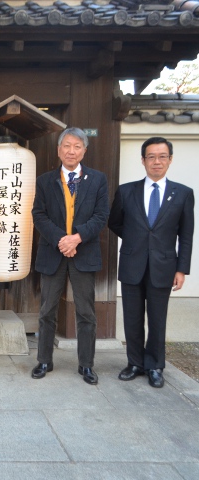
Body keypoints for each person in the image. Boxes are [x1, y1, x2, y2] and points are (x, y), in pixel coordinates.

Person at [108, 137, 194, 388]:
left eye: (162, 156)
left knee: (157, 318)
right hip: (132, 263)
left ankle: (155, 365)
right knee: (132, 317)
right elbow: (115, 222)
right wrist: (137, 241)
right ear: (143, 160)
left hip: (164, 266)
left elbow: (186, 236)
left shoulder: (183, 193)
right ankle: (134, 362)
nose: (157, 161)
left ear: (170, 159)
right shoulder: (126, 191)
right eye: (151, 157)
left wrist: (181, 269)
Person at [30, 127, 109, 385]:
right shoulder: (45, 181)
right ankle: (44, 359)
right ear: (58, 150)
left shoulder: (98, 180)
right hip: (53, 252)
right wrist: (61, 240)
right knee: (47, 310)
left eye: (77, 146)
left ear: (84, 150)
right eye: (67, 146)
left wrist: (76, 238)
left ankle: (86, 364)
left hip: (83, 252)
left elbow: (101, 216)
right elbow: (38, 214)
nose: (71, 151)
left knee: (86, 312)